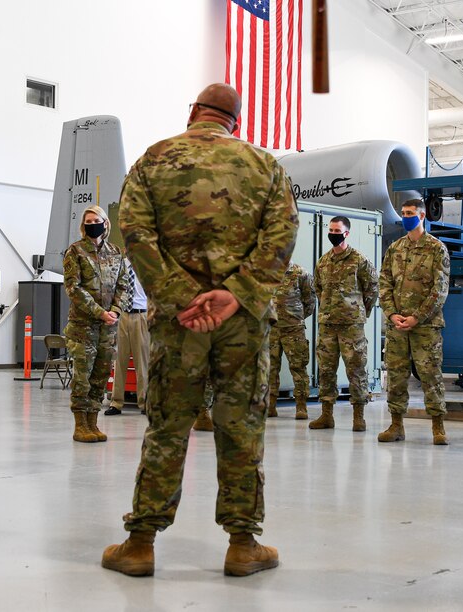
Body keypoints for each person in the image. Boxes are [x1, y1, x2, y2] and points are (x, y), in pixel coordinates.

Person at [102, 83, 297, 577]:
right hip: (242, 323)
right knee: (241, 428)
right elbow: (281, 235)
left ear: (193, 112)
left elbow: (133, 233)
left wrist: (180, 296)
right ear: (237, 120)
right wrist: (237, 294)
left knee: (167, 426)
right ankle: (242, 544)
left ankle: (141, 542)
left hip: (179, 321)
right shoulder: (265, 165)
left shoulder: (153, 160)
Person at [377, 199, 450, 445]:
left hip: (426, 326)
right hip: (397, 326)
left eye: (409, 213)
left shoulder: (436, 248)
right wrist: (391, 313)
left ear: (421, 216)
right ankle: (396, 425)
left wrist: (417, 317)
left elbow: (439, 290)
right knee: (396, 376)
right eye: (403, 213)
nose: (405, 216)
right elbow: (384, 283)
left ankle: (438, 427)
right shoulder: (395, 249)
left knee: (430, 375)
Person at [61, 205, 132, 442]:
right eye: (88, 221)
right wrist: (99, 312)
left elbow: (123, 285)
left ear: (105, 223)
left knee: (100, 376)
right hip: (83, 326)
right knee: (82, 376)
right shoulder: (75, 251)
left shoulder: (115, 252)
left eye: (96, 220)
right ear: (83, 225)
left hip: (108, 328)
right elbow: (73, 288)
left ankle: (93, 422)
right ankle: (80, 425)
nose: (93, 224)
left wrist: (114, 310)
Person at [311, 216, 378, 431]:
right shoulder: (323, 261)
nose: (333, 233)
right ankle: (326, 415)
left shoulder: (359, 260)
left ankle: (359, 416)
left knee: (356, 369)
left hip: (352, 326)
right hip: (328, 325)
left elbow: (372, 289)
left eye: (337, 230)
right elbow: (318, 288)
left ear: (346, 233)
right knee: (326, 370)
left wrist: (358, 312)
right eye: (330, 229)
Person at [267, 262, 315, 419]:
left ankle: (301, 406)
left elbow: (310, 301)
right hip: (271, 329)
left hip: (294, 329)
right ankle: (270, 405)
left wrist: (295, 318)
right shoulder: (266, 272)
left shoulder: (300, 273)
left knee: (299, 368)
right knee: (269, 369)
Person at [107, 253, 148, 416]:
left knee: (142, 362)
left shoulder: (146, 265)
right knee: (119, 361)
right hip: (122, 315)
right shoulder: (120, 265)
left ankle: (144, 403)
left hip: (141, 315)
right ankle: (116, 403)